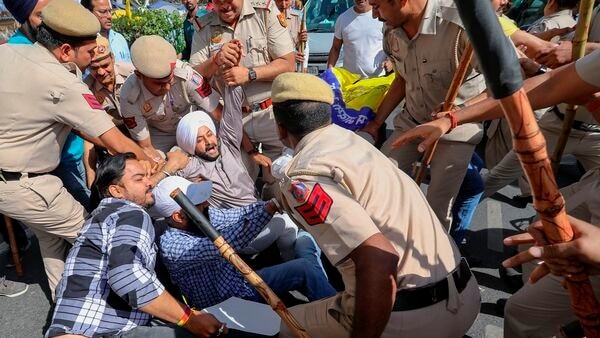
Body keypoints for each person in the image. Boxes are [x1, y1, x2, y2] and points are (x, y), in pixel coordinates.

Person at [272, 72, 480, 337]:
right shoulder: (353, 141)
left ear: (280, 128)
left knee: (281, 328)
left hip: (412, 316)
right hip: (464, 294)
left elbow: (379, 260)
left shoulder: (302, 177)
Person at [0, 0, 150, 298]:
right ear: (66, 51)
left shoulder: (9, 51)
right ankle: (111, 307)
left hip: (18, 181)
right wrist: (155, 167)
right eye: (89, 52)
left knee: (53, 243)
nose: (93, 60)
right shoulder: (63, 82)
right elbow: (114, 142)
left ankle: (64, 309)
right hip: (27, 185)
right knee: (93, 236)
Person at [46, 153, 227, 338]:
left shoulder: (100, 219)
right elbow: (126, 276)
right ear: (117, 191)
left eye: (147, 176)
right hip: (99, 331)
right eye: (139, 179)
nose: (149, 183)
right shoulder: (129, 213)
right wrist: (189, 319)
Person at [359, 0, 487, 231]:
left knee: (436, 211)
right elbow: (401, 79)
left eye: (377, 6)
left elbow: (506, 85)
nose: (375, 15)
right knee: (380, 181)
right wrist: (376, 122)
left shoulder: (463, 22)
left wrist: (458, 112)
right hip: (411, 123)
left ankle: (436, 260)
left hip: (456, 131)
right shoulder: (391, 27)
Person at [154, 176, 336, 310]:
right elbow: (227, 243)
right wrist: (273, 207)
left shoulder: (201, 216)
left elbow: (239, 214)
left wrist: (274, 202)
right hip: (225, 307)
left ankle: (338, 313)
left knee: (304, 267)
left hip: (243, 282)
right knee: (306, 263)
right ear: (178, 216)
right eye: (198, 204)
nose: (206, 204)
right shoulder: (173, 246)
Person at [174, 86, 299, 259]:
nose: (209, 142)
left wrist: (232, 81)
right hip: (238, 233)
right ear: (189, 146)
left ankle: (287, 261)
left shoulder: (227, 145)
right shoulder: (191, 168)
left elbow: (232, 111)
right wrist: (171, 163)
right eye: (199, 140)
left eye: (209, 135)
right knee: (285, 222)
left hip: (260, 212)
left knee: (289, 221)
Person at [189, 0, 295, 179]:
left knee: (281, 178)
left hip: (270, 115)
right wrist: (215, 60)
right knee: (238, 183)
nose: (224, 6)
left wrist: (250, 74)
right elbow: (194, 78)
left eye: (229, 0)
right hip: (232, 120)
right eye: (218, 1)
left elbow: (288, 63)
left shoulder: (264, 12)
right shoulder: (204, 26)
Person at [120, 35, 222, 160]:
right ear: (139, 75)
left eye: (170, 80)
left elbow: (219, 113)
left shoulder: (187, 75)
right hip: (161, 134)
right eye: (159, 84)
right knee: (151, 164)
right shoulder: (129, 97)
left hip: (193, 127)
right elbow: (146, 146)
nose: (167, 87)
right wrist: (165, 167)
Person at [327, 0, 384, 78]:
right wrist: (329, 71)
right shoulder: (343, 19)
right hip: (351, 81)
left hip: (379, 79)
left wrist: (390, 61)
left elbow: (393, 45)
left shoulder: (381, 15)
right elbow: (335, 48)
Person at [275, 0, 309, 71]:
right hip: (275, 69)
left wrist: (301, 40)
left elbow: (301, 47)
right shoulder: (267, 17)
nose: (283, 5)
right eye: (280, 0)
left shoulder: (296, 18)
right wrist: (289, 57)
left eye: (286, 0)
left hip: (292, 70)